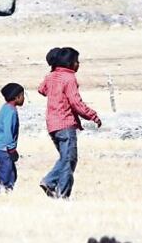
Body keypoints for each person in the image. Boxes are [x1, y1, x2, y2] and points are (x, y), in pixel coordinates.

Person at [38, 48, 101, 199]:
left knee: (65, 159)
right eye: (77, 61)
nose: (78, 64)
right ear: (70, 63)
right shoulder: (69, 78)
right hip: (65, 123)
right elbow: (76, 103)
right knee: (69, 160)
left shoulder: (51, 76)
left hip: (52, 124)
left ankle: (61, 192)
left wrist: (55, 90)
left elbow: (41, 89)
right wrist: (93, 115)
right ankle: (54, 185)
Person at [0, 83, 24, 199]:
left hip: (0, 149)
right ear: (16, 97)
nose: (24, 98)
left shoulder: (5, 108)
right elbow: (8, 131)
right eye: (22, 95)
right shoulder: (10, 111)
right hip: (5, 150)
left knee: (12, 175)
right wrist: (12, 149)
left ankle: (7, 197)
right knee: (5, 177)